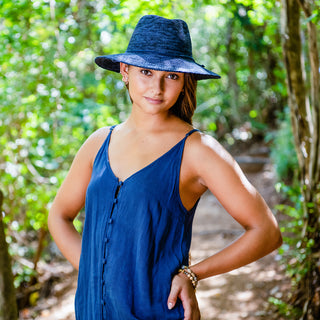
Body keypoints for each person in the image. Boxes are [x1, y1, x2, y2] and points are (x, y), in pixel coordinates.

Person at [48, 14, 282, 320]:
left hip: (159, 311)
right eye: (146, 71)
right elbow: (59, 216)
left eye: (171, 76)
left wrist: (193, 275)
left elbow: (266, 232)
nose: (156, 87)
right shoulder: (98, 142)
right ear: (125, 71)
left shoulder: (198, 150)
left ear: (185, 80)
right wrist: (97, 271)